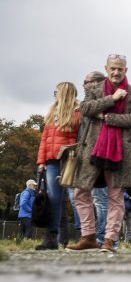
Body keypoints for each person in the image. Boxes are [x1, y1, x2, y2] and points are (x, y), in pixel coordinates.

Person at [67, 55, 131, 253]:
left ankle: (109, 240)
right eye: (113, 68)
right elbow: (84, 109)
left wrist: (107, 117)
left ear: (126, 70)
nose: (116, 72)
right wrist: (112, 99)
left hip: (120, 151)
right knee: (80, 192)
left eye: (120, 69)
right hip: (92, 149)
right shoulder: (93, 89)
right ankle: (88, 236)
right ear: (106, 69)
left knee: (115, 196)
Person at [34, 81, 80, 250]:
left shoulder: (77, 112)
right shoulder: (52, 111)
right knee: (54, 199)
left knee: (77, 199)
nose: (54, 94)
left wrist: (76, 107)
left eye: (57, 92)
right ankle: (51, 238)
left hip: (70, 160)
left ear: (65, 93)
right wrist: (41, 162)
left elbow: (77, 130)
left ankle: (84, 234)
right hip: (51, 161)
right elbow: (44, 139)